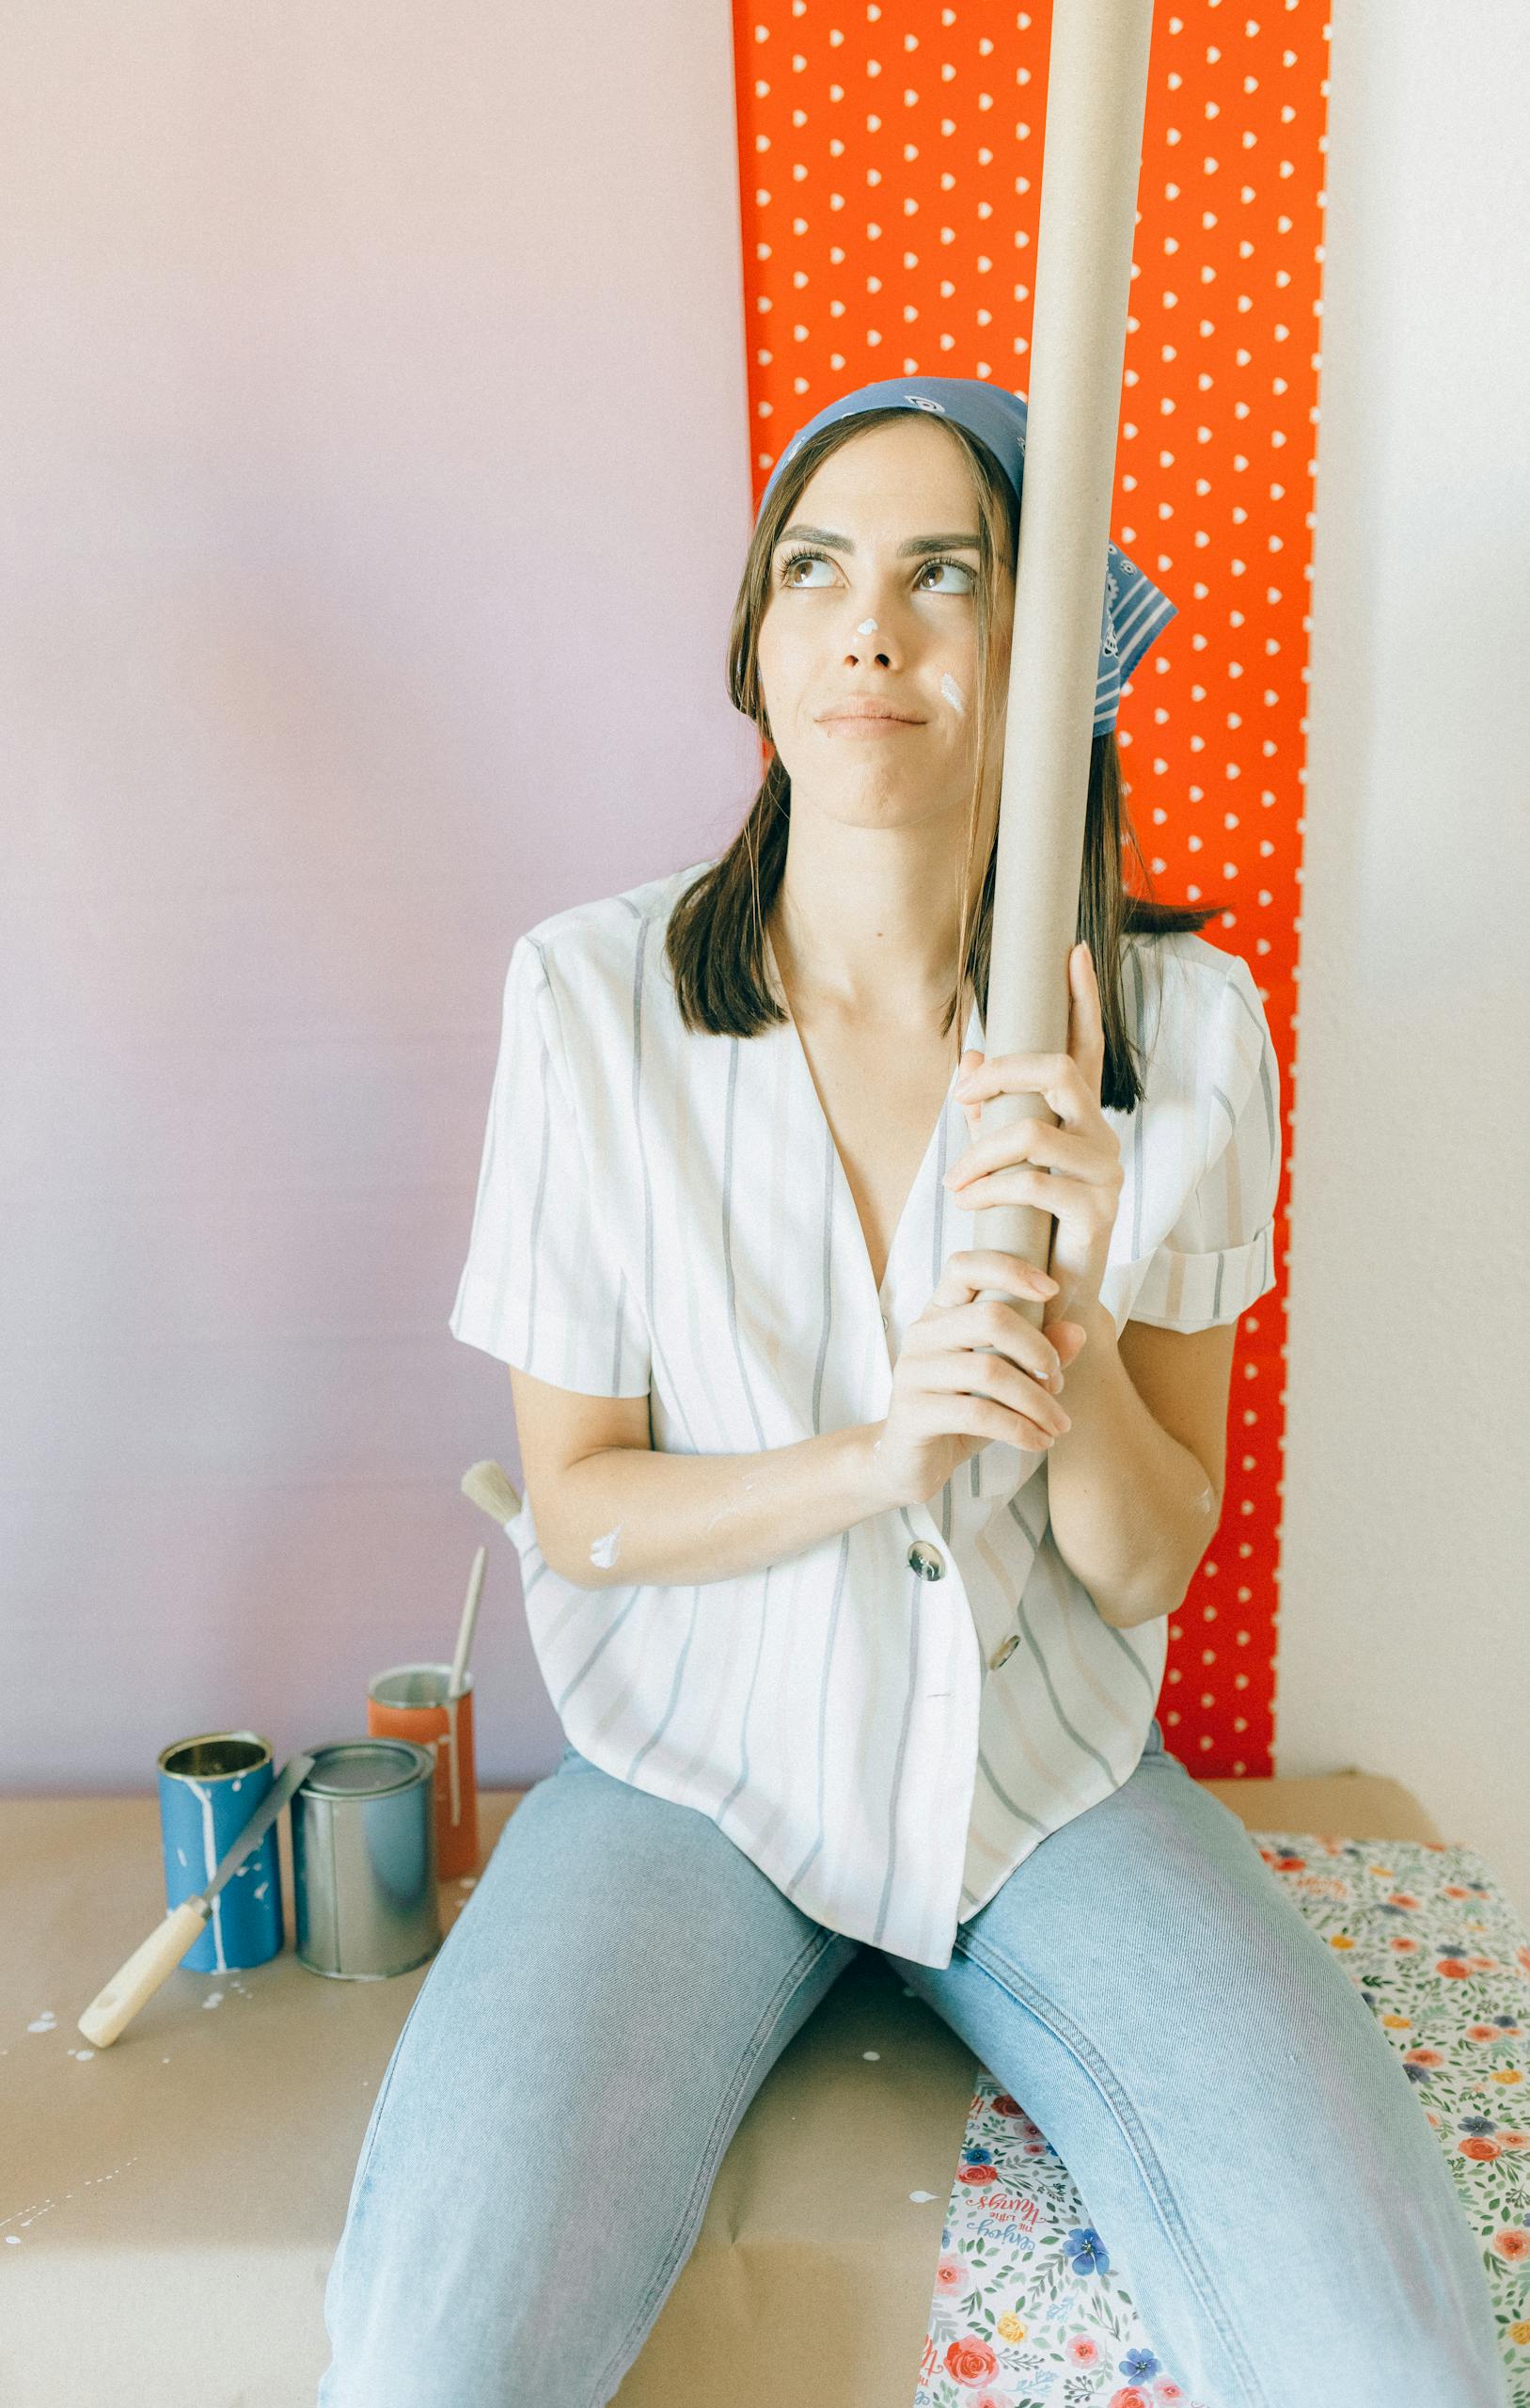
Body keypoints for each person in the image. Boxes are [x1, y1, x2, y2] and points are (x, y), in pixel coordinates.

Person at [317, 378, 1508, 2408]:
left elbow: (1146, 1558)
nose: (866, 626)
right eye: (814, 569)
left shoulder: (1182, 1034)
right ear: (757, 644)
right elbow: (579, 1505)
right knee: (433, 2356)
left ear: (1044, 671)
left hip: (1043, 1783)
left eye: (941, 574)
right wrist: (879, 1457)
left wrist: (1060, 1348)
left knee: (1392, 2354)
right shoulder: (590, 1001)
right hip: (690, 1776)